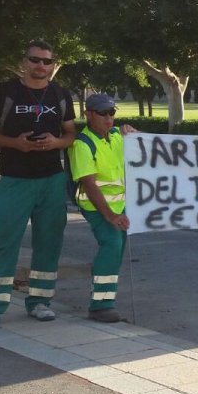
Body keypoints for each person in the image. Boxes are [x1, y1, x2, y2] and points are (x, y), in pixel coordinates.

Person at [0, 40, 76, 330]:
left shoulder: (60, 94)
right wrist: (16, 144)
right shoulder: (4, 91)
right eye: (35, 60)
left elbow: (70, 134)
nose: (41, 66)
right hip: (14, 178)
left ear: (52, 64)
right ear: (25, 62)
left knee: (49, 243)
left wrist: (55, 143)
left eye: (47, 61)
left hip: (51, 178)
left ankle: (40, 302)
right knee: (3, 241)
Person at [68, 93, 138, 322]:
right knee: (111, 244)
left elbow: (149, 147)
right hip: (98, 208)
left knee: (116, 250)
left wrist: (135, 133)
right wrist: (110, 216)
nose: (109, 118)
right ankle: (100, 306)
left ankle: (105, 293)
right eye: (102, 113)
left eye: (112, 113)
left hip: (120, 205)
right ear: (88, 114)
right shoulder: (82, 144)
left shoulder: (117, 135)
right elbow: (89, 184)